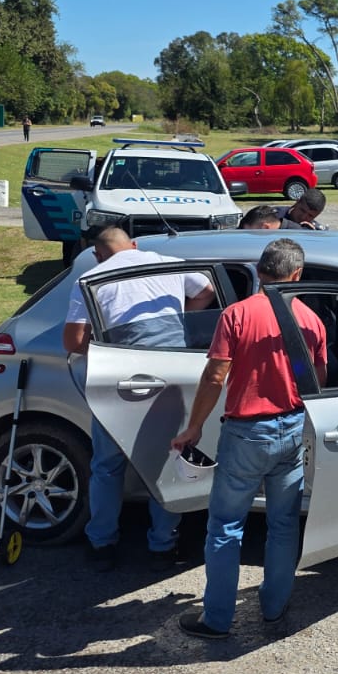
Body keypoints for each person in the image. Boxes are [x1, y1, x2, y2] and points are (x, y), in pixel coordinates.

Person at [171, 239, 326, 639]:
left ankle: (217, 618)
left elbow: (215, 375)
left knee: (225, 525)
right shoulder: (311, 320)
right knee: (284, 525)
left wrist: (193, 427)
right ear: (297, 275)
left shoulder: (237, 314)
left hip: (246, 432)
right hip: (291, 428)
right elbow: (318, 380)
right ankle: (274, 606)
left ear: (259, 272)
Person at [63, 228, 215, 571]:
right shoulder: (169, 263)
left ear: (98, 255)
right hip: (171, 374)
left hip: (119, 378)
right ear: (134, 245)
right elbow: (206, 292)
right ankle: (163, 545)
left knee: (107, 465)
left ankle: (101, 544)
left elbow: (73, 341)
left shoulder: (91, 278)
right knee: (167, 461)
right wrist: (181, 323)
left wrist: (108, 346)